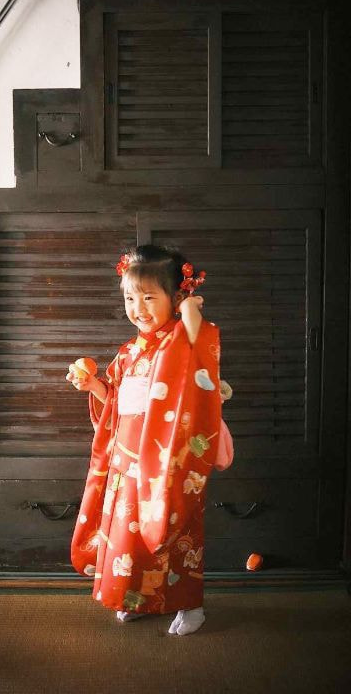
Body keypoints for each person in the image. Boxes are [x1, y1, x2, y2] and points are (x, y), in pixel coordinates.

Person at [67, 244, 233, 635]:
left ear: (175, 297)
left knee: (174, 529)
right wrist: (94, 386)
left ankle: (190, 605)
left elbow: (200, 348)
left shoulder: (180, 339)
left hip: (166, 457)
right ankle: (136, 598)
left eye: (148, 298)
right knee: (129, 533)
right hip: (127, 456)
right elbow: (116, 404)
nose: (138, 308)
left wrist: (191, 312)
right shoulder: (129, 351)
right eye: (130, 298)